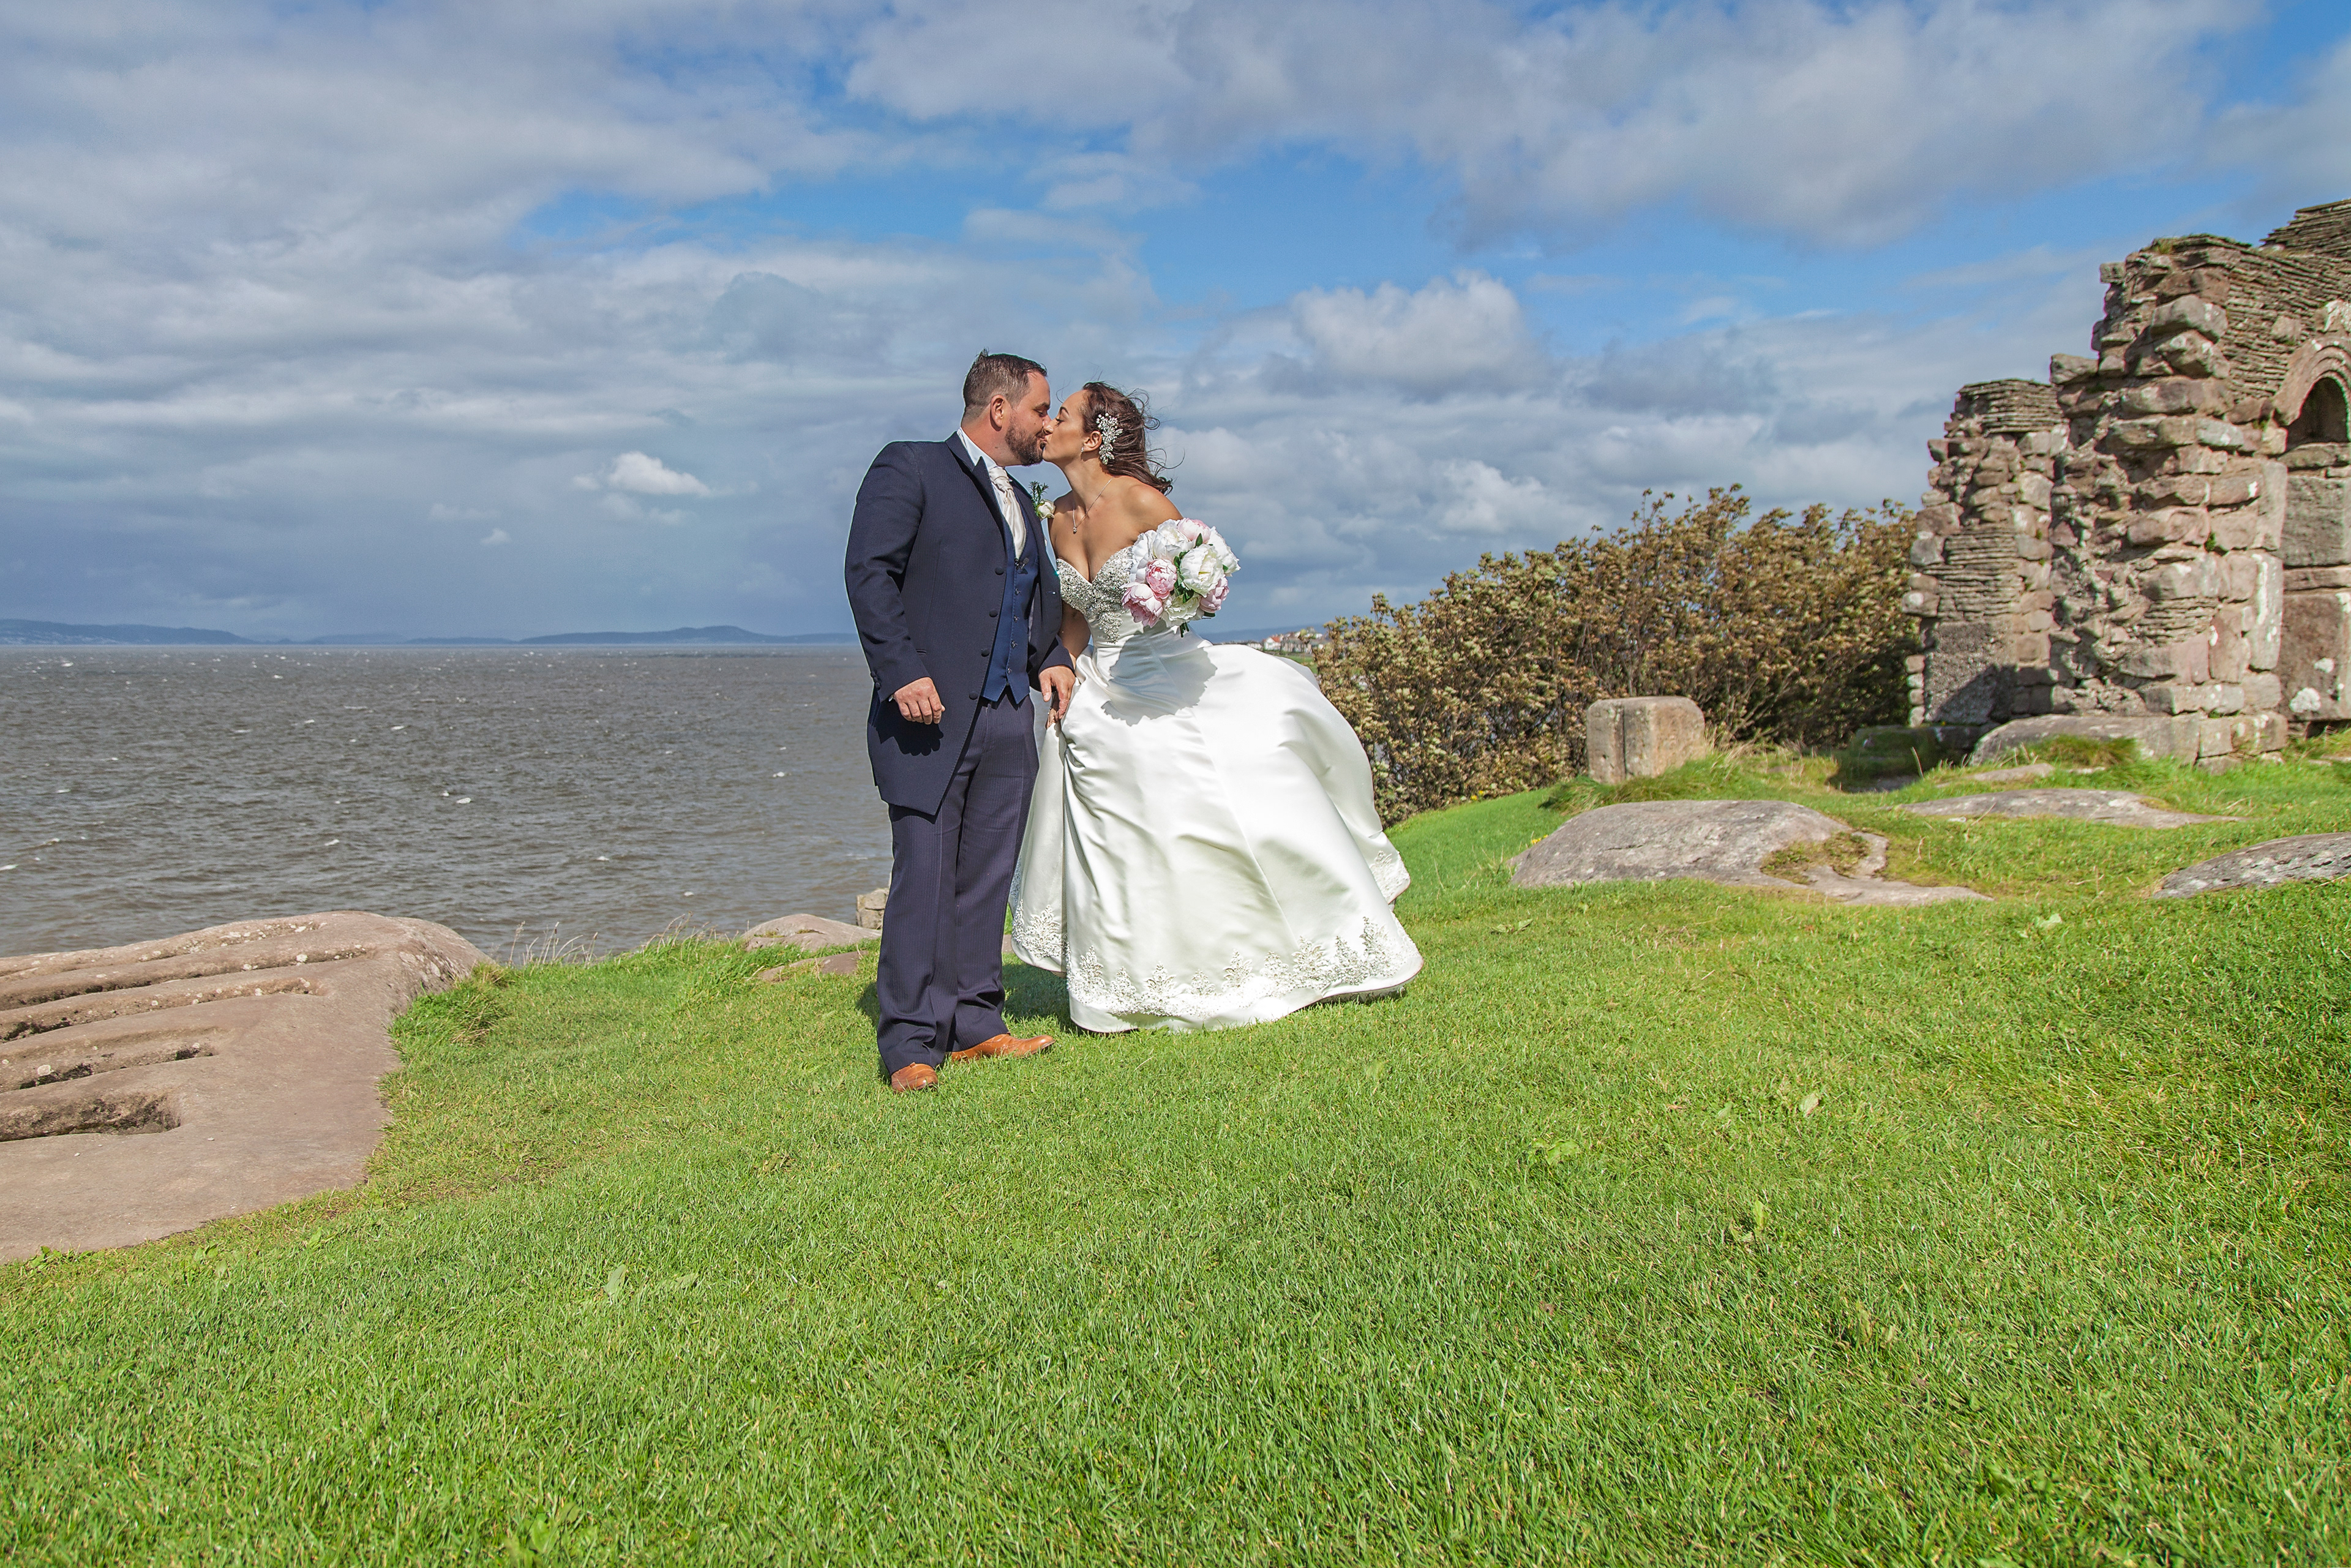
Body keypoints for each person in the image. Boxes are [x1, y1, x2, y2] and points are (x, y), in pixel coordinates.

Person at [1008, 382, 1421, 1031]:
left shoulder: (1145, 502)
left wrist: (1177, 596)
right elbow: (1074, 619)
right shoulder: (1055, 515)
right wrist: (1059, 672)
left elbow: (1195, 581)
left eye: (1061, 415)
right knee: (1105, 808)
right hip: (1097, 682)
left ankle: (1267, 939)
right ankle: (1125, 976)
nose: (1050, 421)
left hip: (1159, 668)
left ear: (1093, 438)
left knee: (1203, 806)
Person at [844, 353, 1077, 1093]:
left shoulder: (1020, 495)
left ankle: (978, 1021)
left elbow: (1027, 593)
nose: (1049, 423)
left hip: (1011, 713)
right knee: (925, 874)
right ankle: (909, 1040)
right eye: (1042, 409)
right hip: (929, 715)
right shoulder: (909, 466)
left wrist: (1049, 657)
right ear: (1000, 409)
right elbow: (869, 571)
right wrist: (903, 669)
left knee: (986, 877)